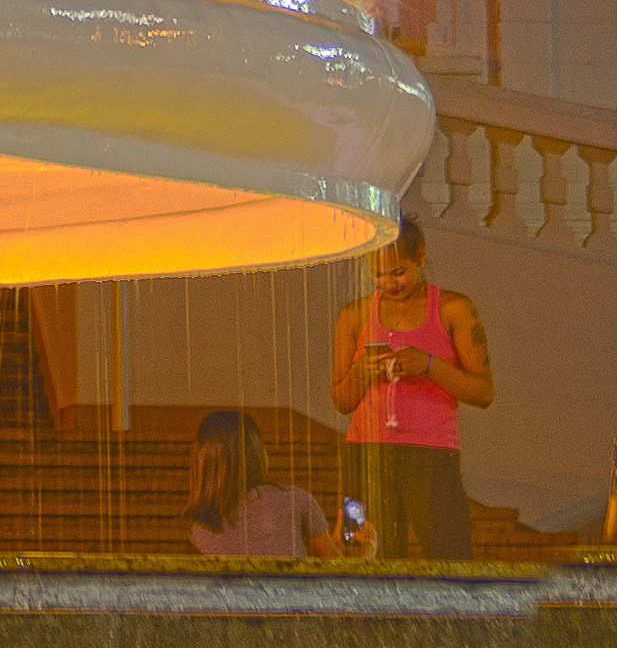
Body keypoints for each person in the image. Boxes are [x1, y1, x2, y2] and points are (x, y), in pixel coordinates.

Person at [331, 220, 495, 562]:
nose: (390, 284)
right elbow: (341, 401)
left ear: (420, 257)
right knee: (368, 556)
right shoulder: (354, 315)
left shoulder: (453, 309)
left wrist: (430, 366)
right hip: (365, 451)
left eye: (398, 272)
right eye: (379, 274)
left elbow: (483, 392)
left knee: (448, 555)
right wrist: (361, 373)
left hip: (430, 453)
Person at [176, 406, 339, 560]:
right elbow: (339, 572)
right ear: (256, 451)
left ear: (202, 461)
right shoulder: (296, 500)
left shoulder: (196, 526)